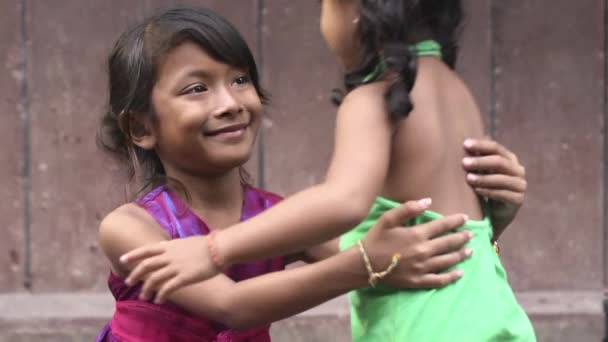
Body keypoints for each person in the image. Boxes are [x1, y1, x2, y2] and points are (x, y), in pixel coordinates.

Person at [121, 2, 534, 341]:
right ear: (140, 127)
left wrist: (215, 249)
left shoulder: (378, 97)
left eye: (241, 80)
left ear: (356, 10)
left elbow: (349, 208)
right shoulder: (128, 227)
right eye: (197, 88)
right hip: (493, 318)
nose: (230, 103)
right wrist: (370, 263)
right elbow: (233, 306)